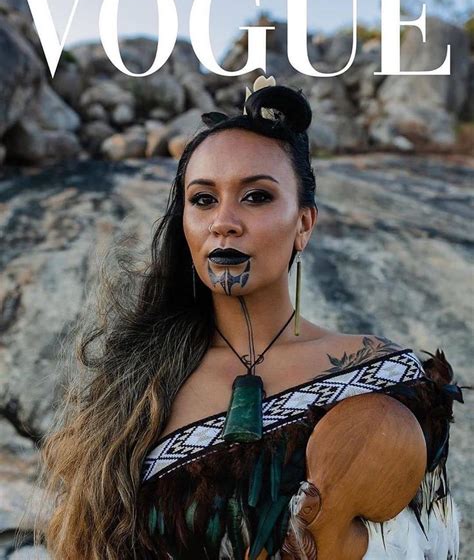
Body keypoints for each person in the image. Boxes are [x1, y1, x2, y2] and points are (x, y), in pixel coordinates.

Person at [38, 76, 466, 560]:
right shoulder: (134, 386)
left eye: (256, 196)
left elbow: (434, 548)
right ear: (185, 223)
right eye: (203, 199)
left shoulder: (386, 378)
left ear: (303, 224)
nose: (224, 221)